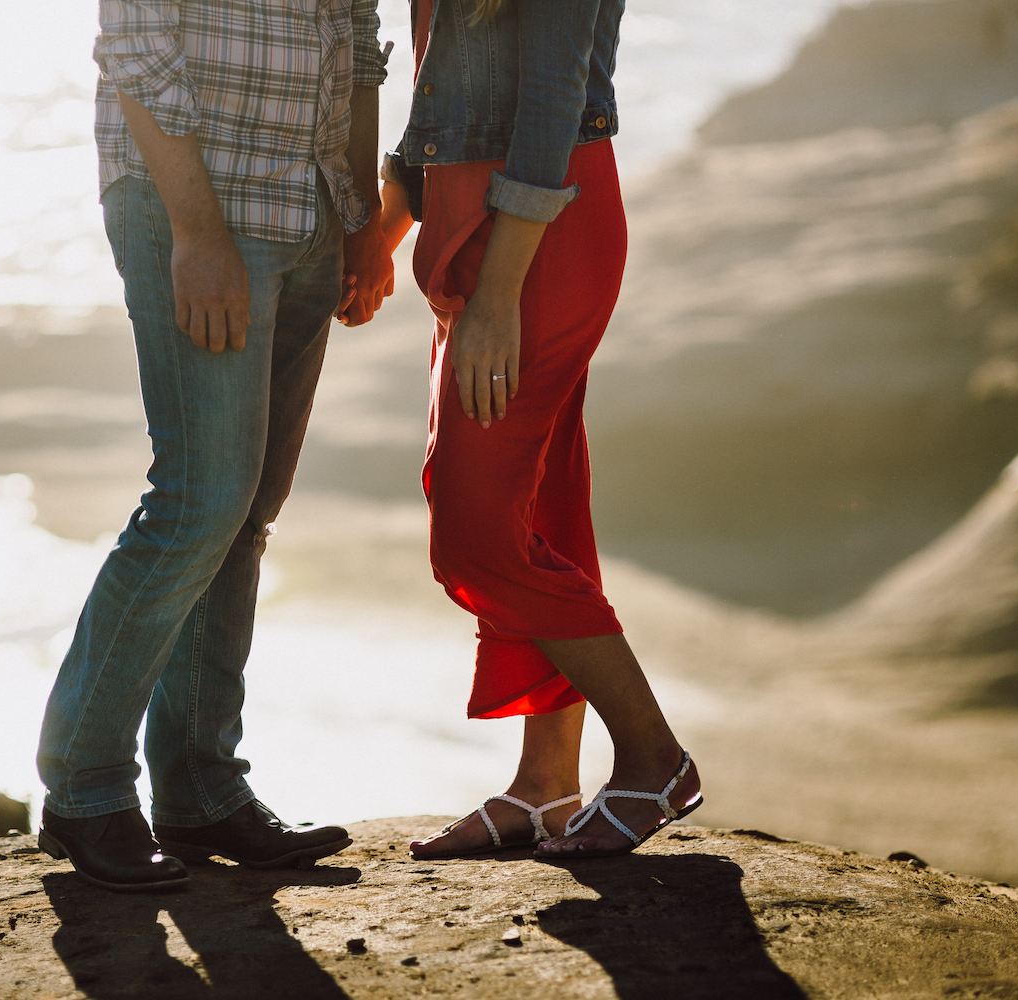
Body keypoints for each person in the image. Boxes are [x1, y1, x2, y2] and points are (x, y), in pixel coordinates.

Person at [35, 0, 396, 892]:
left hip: (310, 210)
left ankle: (200, 789)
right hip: (199, 207)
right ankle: (83, 789)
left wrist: (355, 214)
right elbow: (135, 46)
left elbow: (355, 45)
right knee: (200, 500)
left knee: (243, 516)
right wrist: (196, 230)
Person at [376, 0, 703, 860]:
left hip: (536, 237)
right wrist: (391, 221)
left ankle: (654, 758)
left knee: (475, 532)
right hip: (476, 218)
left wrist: (497, 296)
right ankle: (547, 785)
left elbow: (555, 93)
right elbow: (440, 78)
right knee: (538, 505)